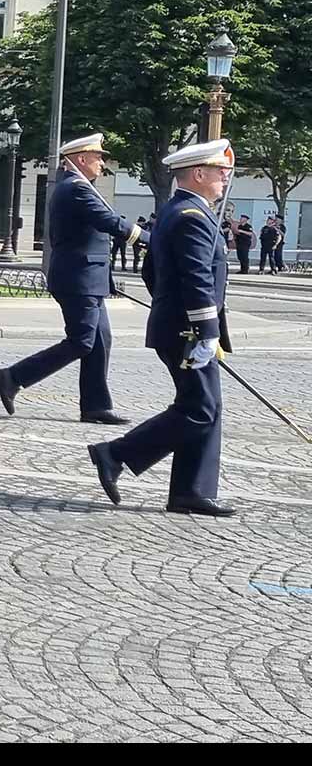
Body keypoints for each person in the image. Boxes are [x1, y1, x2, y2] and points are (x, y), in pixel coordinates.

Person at [87, 139, 237, 517]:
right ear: (199, 174)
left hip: (182, 327)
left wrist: (172, 310)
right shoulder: (191, 216)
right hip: (188, 333)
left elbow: (151, 272)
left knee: (204, 406)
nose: (225, 178)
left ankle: (191, 490)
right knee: (201, 409)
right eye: (220, 172)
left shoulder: (179, 211)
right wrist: (205, 328)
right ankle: (116, 453)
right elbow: (197, 277)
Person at [0, 134, 143, 425]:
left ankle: (96, 406)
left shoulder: (79, 186)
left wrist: (105, 279)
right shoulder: (76, 189)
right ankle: (15, 375)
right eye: (98, 156)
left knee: (100, 340)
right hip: (78, 280)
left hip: (89, 278)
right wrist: (150, 239)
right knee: (82, 341)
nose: (102, 162)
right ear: (80, 159)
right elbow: (109, 223)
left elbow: (94, 236)